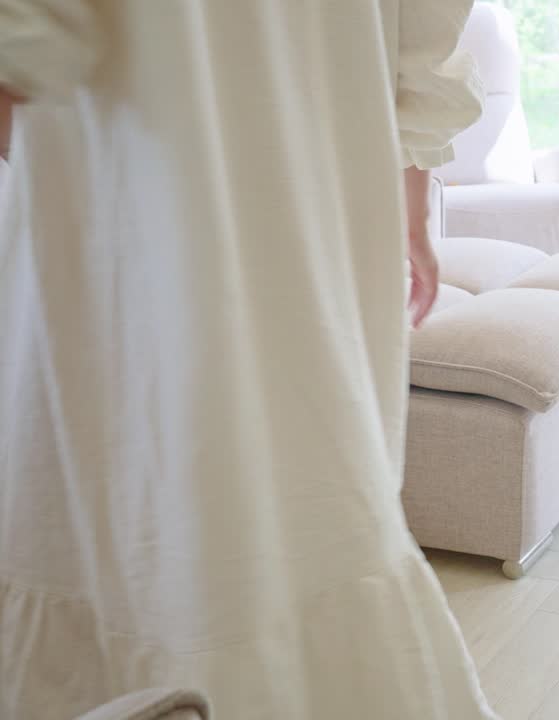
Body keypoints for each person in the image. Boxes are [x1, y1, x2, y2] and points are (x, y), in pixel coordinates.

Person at [0, 2, 500, 717]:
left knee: (138, 536)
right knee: (308, 520)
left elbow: (32, 46)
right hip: (318, 240)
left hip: (130, 239)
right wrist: (413, 219)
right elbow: (423, 54)